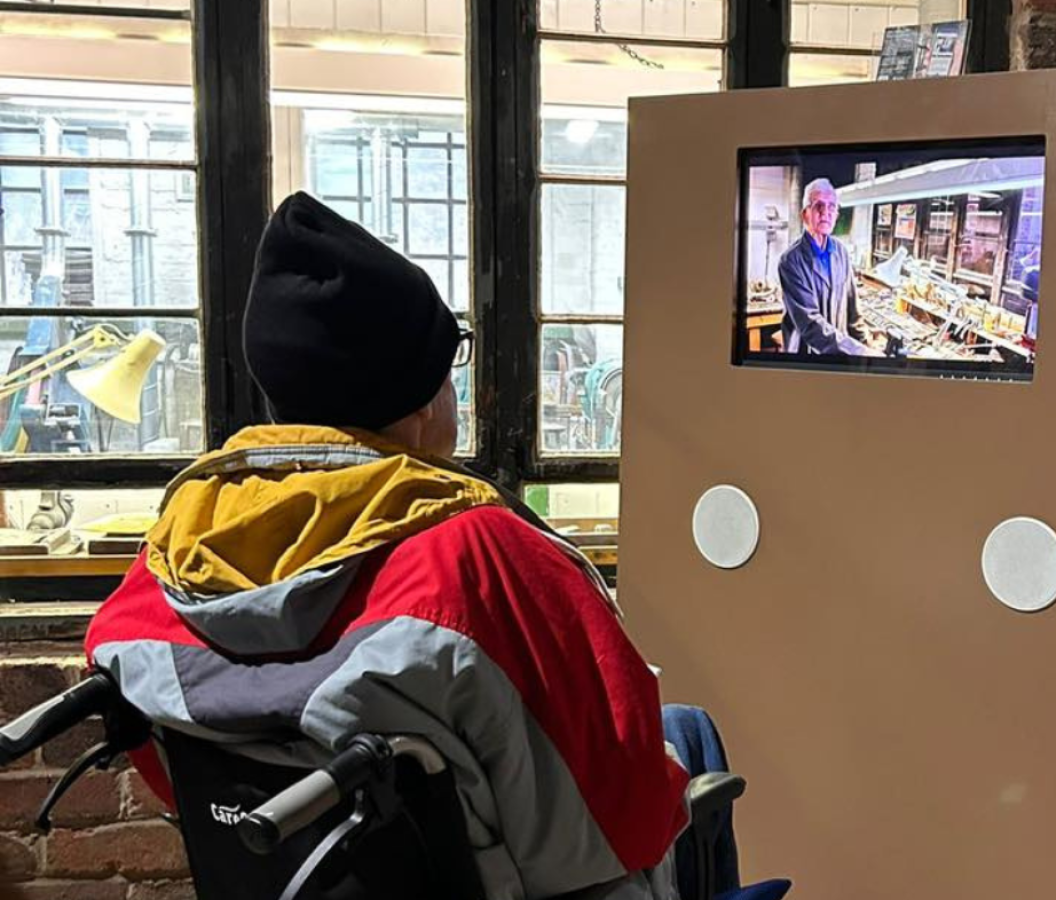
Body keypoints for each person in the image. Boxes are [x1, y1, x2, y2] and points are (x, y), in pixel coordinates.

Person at [84, 193, 688, 900]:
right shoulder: (481, 557)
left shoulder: (174, 548)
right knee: (691, 742)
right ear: (422, 400)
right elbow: (626, 822)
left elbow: (179, 769)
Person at [776, 178, 884, 357]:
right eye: (818, 205)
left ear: (836, 215)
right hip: (805, 355)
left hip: (840, 352)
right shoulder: (790, 261)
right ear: (805, 215)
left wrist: (867, 345)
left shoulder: (842, 252)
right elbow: (811, 325)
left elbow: (853, 311)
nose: (825, 212)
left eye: (832, 207)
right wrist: (860, 351)